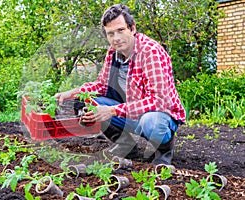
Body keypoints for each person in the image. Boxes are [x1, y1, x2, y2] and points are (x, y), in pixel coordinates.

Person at [55, 4, 186, 165]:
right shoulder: (113, 52)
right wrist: (72, 93)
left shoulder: (150, 52)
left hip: (160, 115)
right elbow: (102, 86)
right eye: (111, 34)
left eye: (121, 30)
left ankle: (163, 150)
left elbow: (159, 101)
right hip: (130, 110)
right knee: (88, 102)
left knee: (150, 122)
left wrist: (111, 110)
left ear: (132, 28)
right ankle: (126, 146)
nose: (116, 38)